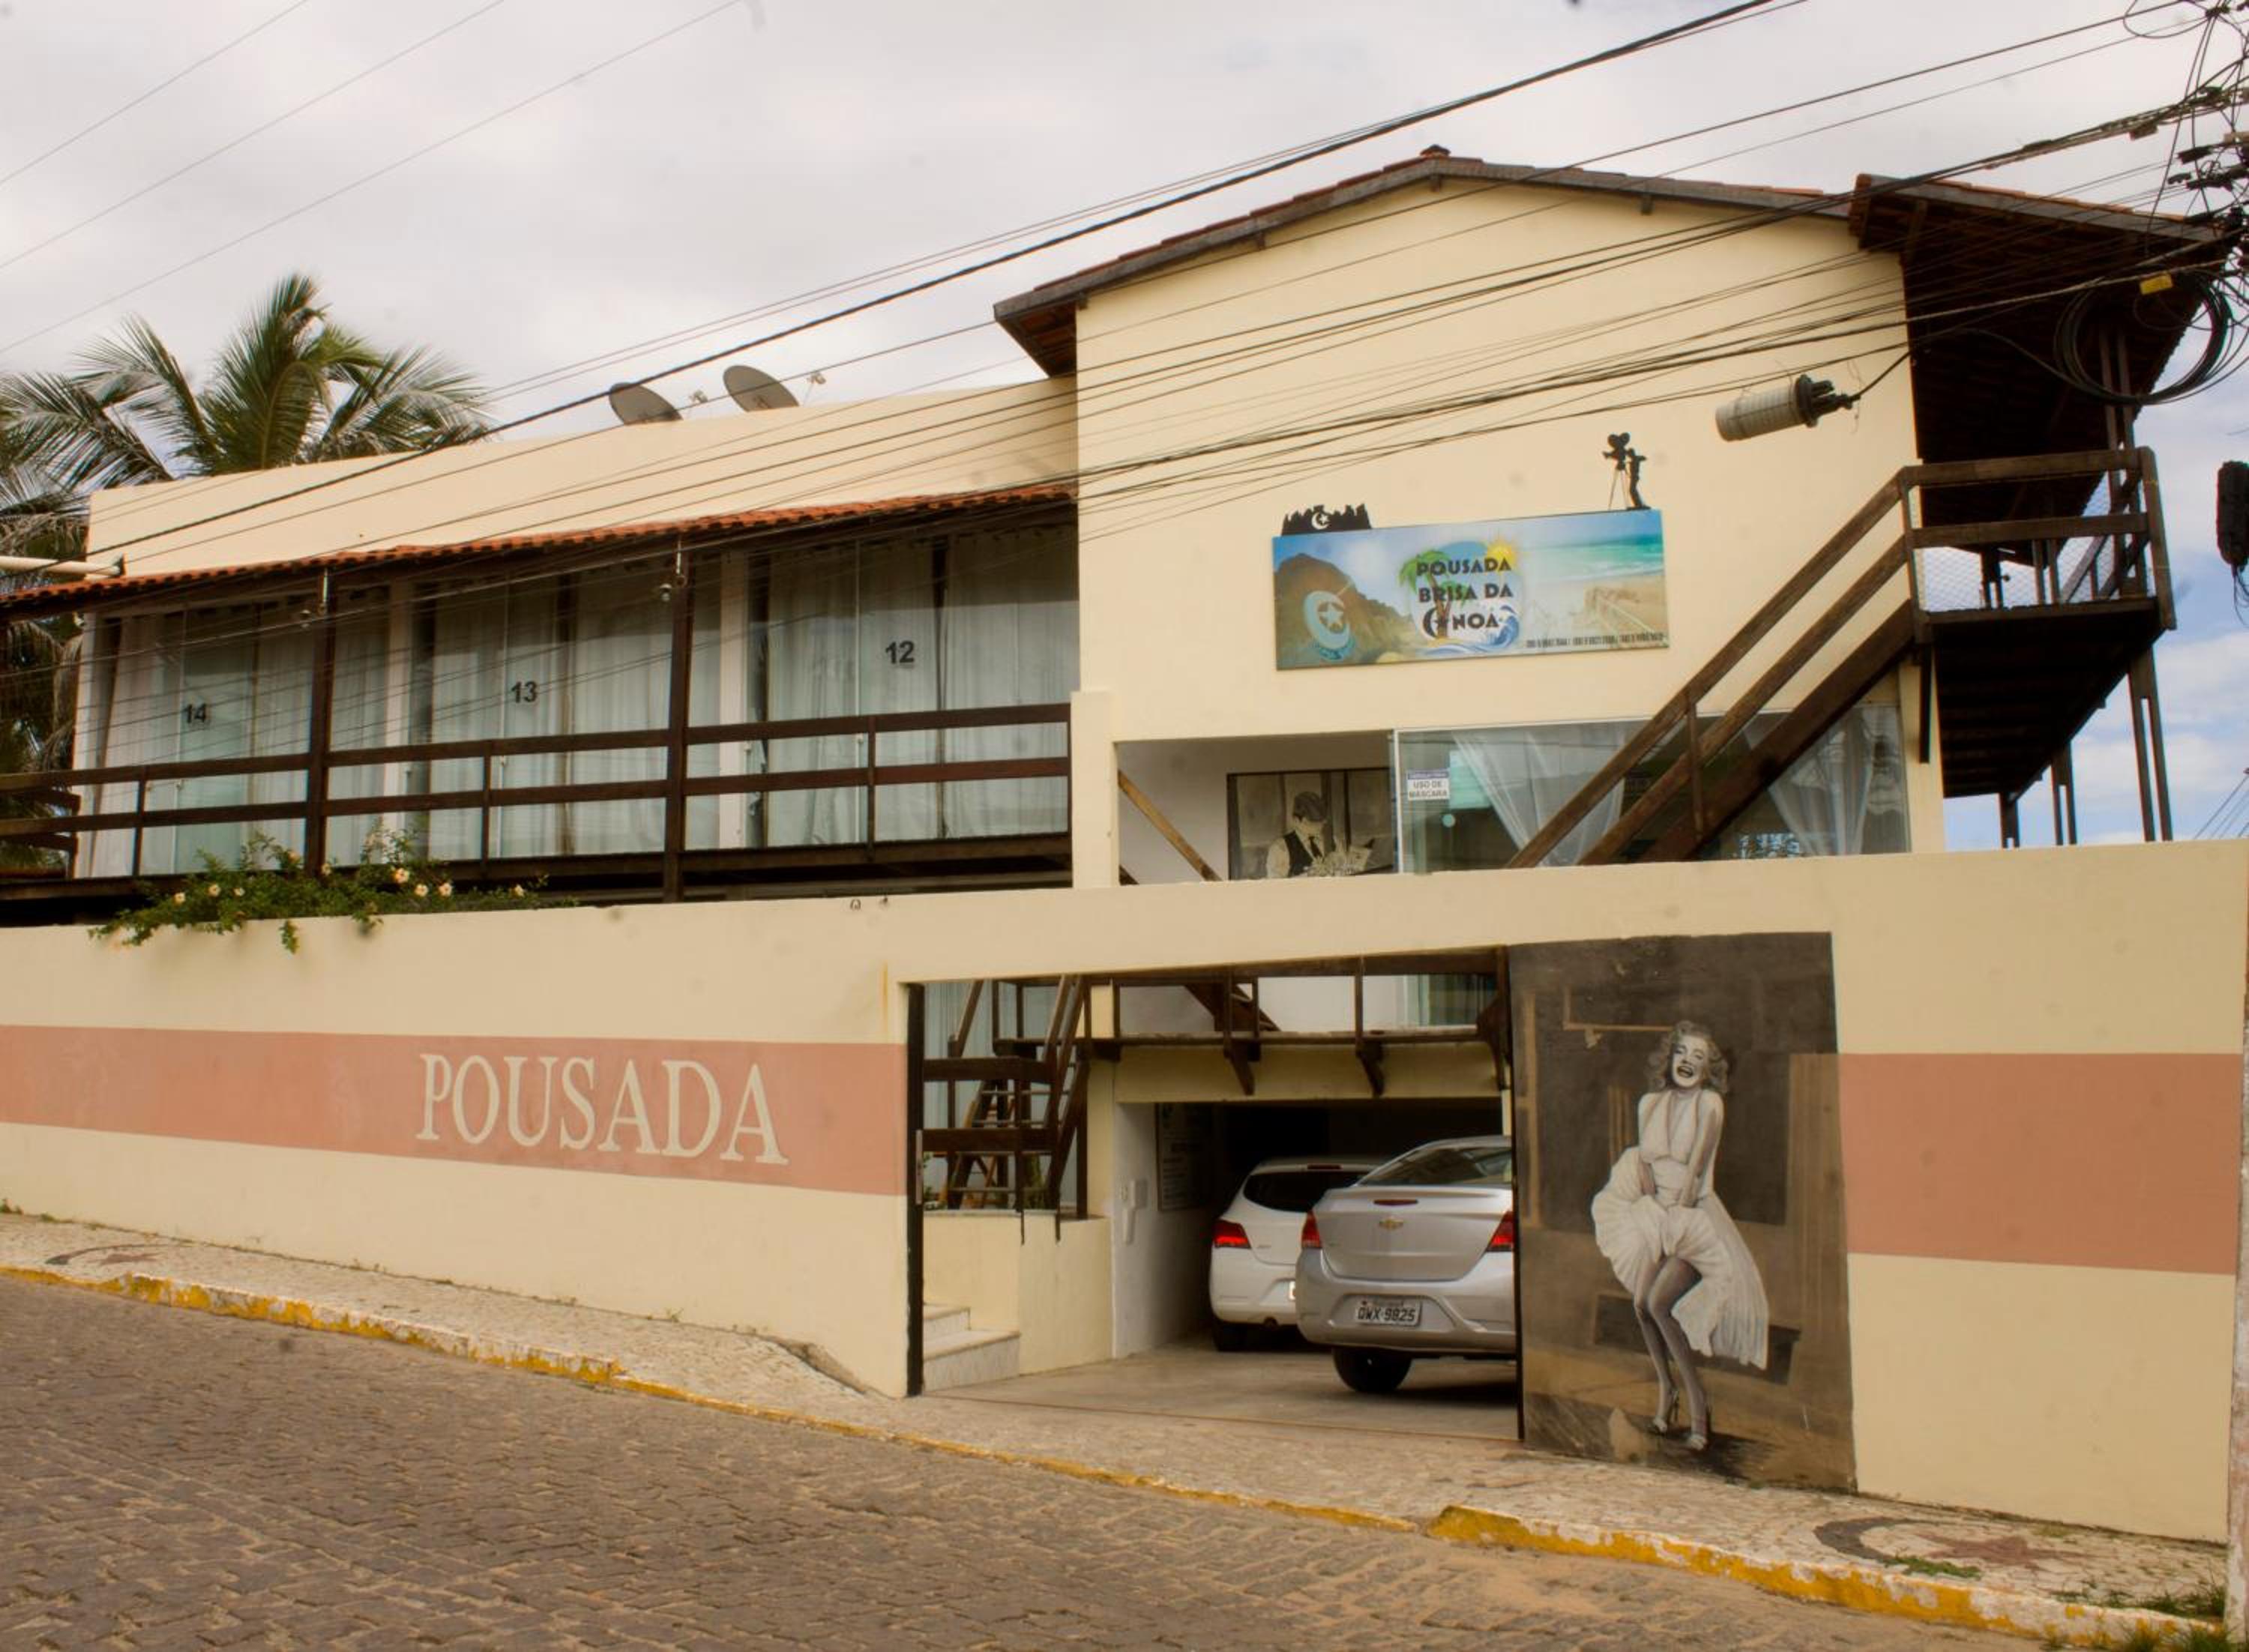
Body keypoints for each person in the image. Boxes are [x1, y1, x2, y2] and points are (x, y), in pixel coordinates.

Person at [1589, 1021, 1768, 1450]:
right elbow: (1645, 1166)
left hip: (1693, 1219)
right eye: (1682, 1053)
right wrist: (1651, 1211)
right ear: (1670, 1058)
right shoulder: (1650, 1103)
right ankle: (1667, 1392)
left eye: (1699, 1058)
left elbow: (1697, 1173)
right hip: (1658, 1213)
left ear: (1709, 1071)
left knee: (1658, 1302)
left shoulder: (1709, 1105)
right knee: (1640, 1304)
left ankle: (1699, 1405)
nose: (1688, 1062)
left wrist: (1674, 1216)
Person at [1265, 791, 1329, 879]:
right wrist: (1308, 876)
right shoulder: (1280, 848)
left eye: (1321, 822)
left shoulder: (1332, 841)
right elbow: (1275, 887)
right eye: (1311, 822)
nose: (1318, 827)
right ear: (1296, 820)